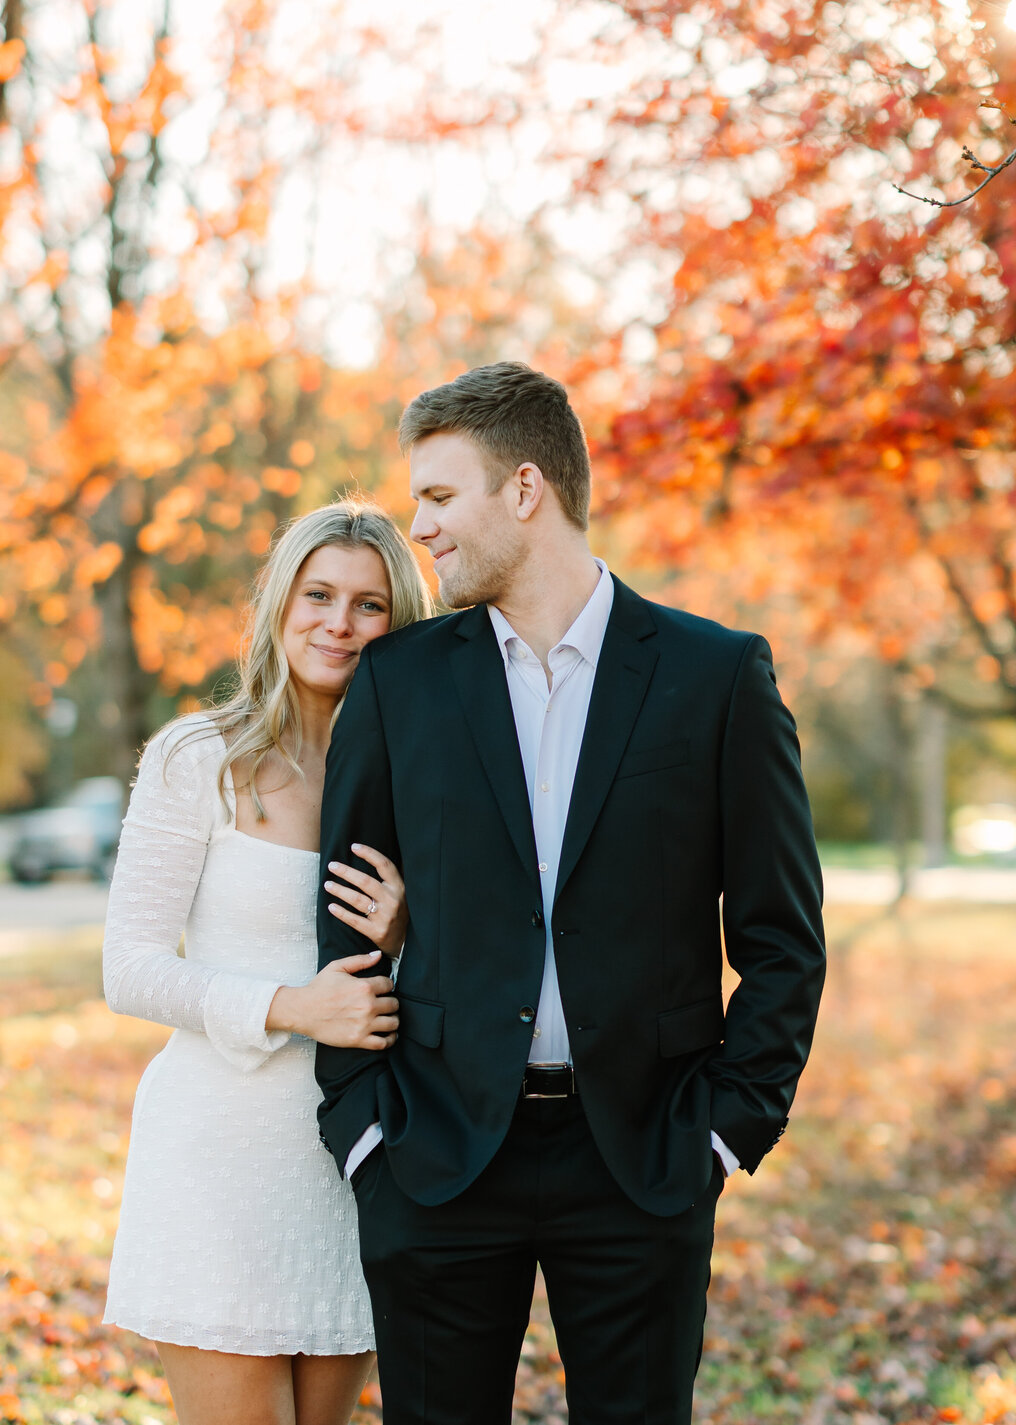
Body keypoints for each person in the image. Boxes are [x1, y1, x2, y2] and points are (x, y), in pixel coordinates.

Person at [316, 363, 827, 1425]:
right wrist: (365, 1131)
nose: (422, 528)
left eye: (440, 498)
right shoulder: (399, 681)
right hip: (436, 1154)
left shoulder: (716, 675)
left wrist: (728, 1130)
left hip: (644, 1154)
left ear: (526, 489)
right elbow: (344, 916)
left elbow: (783, 936)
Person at [102, 500, 434, 1425]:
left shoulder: (419, 782)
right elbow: (129, 966)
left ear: (400, 624)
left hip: (353, 1164)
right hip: (218, 1156)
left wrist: (412, 935)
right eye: (318, 593)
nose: (339, 621)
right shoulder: (197, 759)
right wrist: (294, 1004)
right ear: (280, 604)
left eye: (370, 605)